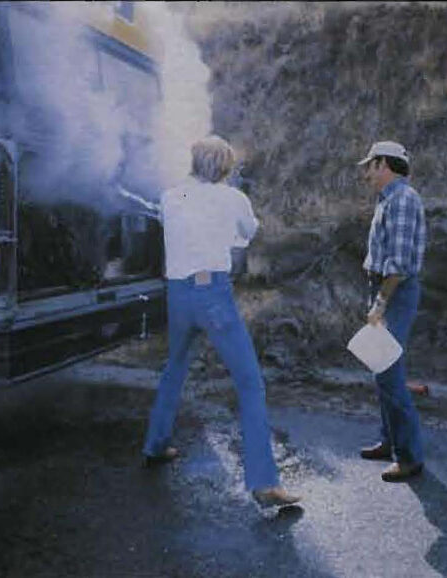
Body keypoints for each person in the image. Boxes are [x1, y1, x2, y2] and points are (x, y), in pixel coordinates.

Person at [141, 135, 300, 508]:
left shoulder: (171, 196)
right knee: (249, 383)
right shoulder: (233, 198)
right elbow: (248, 233)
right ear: (225, 168)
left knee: (174, 369)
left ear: (193, 162)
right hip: (212, 293)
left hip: (178, 294)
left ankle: (156, 445)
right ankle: (264, 483)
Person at [356, 140, 427, 482]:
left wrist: (380, 303)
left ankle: (409, 457)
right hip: (384, 289)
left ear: (383, 164)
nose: (366, 173)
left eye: (369, 166)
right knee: (381, 367)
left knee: (389, 373)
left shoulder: (402, 200)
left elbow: (397, 266)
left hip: (394, 292)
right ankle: (390, 441)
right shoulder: (388, 199)